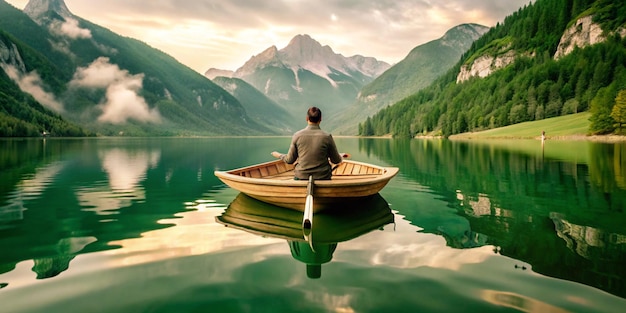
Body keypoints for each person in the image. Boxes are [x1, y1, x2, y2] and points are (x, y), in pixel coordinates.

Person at [271, 107, 345, 180]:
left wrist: (279, 155)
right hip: (323, 177)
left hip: (301, 176)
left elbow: (290, 160)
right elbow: (336, 160)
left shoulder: (297, 135)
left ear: (307, 118)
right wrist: (340, 156)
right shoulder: (327, 136)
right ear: (320, 119)